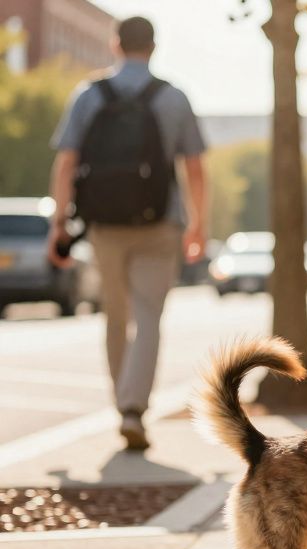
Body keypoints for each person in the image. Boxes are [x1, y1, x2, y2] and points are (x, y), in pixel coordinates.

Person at [47, 16, 208, 451]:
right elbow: (194, 167)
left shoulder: (89, 94)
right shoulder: (173, 97)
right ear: (154, 47)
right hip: (160, 224)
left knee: (115, 317)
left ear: (115, 45)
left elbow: (66, 162)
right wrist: (198, 225)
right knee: (150, 318)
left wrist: (59, 225)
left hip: (103, 226)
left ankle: (123, 405)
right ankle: (135, 407)